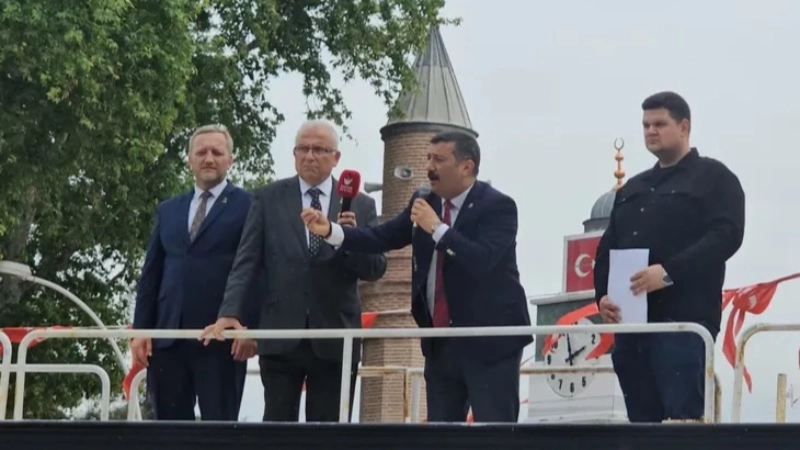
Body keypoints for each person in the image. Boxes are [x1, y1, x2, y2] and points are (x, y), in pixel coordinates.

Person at [301, 131, 531, 423]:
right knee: (440, 435)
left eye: (439, 159)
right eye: (428, 158)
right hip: (440, 342)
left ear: (466, 166)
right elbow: (381, 237)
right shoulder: (424, 200)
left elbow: (481, 260)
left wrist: (437, 228)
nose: (430, 167)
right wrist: (331, 231)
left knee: (493, 433)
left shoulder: (498, 207)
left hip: (489, 342)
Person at [201, 120, 387, 423]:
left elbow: (376, 269)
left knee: (327, 435)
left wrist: (348, 239)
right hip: (280, 333)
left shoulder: (360, 204)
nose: (310, 156)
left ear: (336, 157)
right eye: (303, 149)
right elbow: (246, 261)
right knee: (277, 432)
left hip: (335, 336)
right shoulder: (268, 198)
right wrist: (230, 311)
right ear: (294, 154)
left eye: (319, 150)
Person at [593, 91, 746, 423]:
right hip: (633, 329)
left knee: (682, 425)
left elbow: (727, 236)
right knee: (641, 429)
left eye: (660, 124)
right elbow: (607, 247)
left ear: (684, 127)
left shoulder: (715, 179)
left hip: (683, 324)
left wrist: (667, 273)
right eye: (646, 125)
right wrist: (601, 296)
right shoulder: (632, 188)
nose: (650, 131)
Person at [131, 124, 260, 420]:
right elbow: (151, 275)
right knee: (169, 433)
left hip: (221, 339)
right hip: (168, 338)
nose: (209, 158)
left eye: (217, 152)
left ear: (230, 160)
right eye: (201, 152)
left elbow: (256, 271)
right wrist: (140, 331)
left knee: (219, 432)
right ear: (190, 160)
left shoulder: (250, 206)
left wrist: (250, 327)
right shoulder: (168, 210)